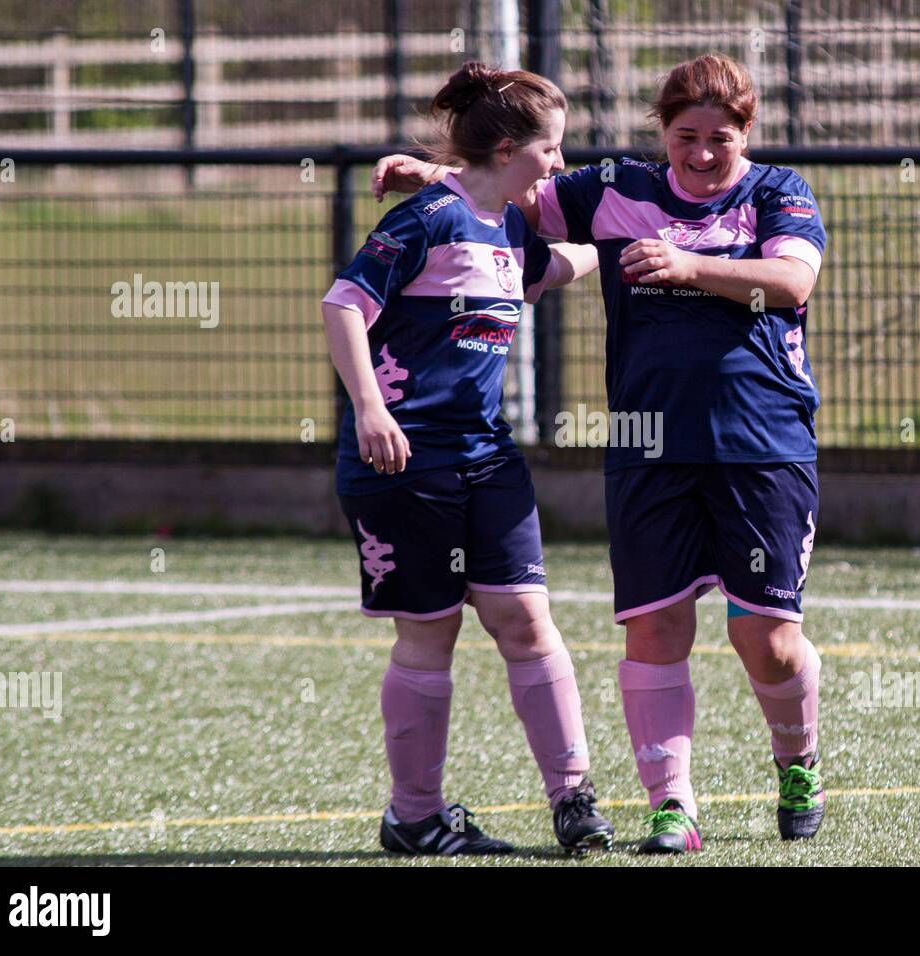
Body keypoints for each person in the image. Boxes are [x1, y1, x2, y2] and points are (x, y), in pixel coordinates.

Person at [373, 53, 827, 854]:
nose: (702, 153)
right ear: (664, 131)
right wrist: (436, 172)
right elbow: (514, 183)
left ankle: (798, 761)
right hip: (646, 447)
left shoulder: (778, 191)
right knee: (654, 630)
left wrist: (689, 265)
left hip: (761, 443)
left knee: (769, 639)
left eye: (720, 137)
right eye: (686, 136)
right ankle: (672, 806)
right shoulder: (619, 188)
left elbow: (791, 283)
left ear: (745, 133)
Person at [322, 61, 609, 856]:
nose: (560, 165)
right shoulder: (426, 220)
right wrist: (371, 409)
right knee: (430, 632)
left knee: (526, 619)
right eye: (552, 150)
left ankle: (574, 799)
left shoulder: (509, 226)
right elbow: (344, 303)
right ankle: (414, 817)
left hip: (487, 456)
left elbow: (556, 267)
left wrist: (623, 243)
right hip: (404, 461)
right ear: (512, 147)